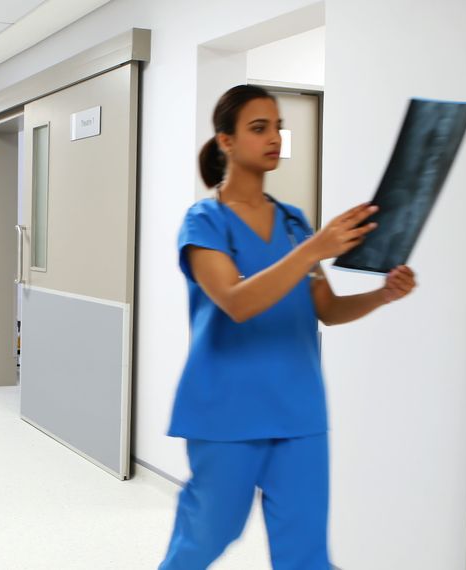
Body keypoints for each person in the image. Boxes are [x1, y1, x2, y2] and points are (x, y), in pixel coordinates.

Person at [160, 85, 418, 569]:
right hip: (226, 412)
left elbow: (325, 308)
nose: (274, 137)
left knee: (306, 554)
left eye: (278, 127)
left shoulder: (296, 223)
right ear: (227, 142)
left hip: (299, 411)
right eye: (259, 128)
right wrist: (314, 250)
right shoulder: (204, 221)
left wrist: (382, 295)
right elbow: (236, 303)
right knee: (206, 538)